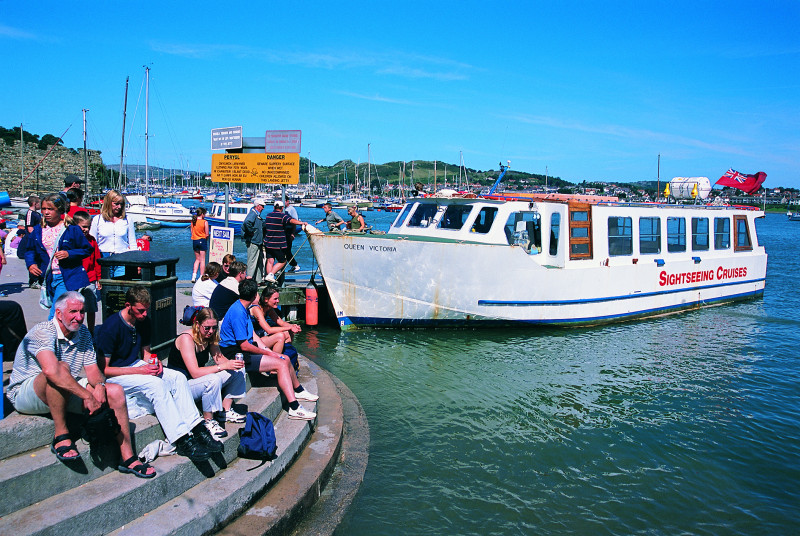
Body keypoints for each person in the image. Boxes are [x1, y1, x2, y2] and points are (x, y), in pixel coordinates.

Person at [6, 292, 155, 477]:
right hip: (26, 393)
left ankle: (127, 457)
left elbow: (93, 370)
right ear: (59, 314)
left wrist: (100, 387)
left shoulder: (82, 332)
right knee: (60, 368)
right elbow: (51, 371)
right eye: (73, 311)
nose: (79, 316)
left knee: (115, 391)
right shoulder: (43, 331)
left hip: (63, 387)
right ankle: (61, 435)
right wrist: (87, 396)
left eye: (82, 311)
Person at [94, 286, 220, 461]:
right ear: (128, 305)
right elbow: (104, 370)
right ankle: (181, 439)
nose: (144, 314)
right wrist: (140, 370)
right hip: (117, 374)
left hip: (135, 365)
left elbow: (146, 354)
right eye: (140, 311)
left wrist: (155, 363)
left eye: (146, 310)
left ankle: (197, 428)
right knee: (156, 385)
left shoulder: (143, 321)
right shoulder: (111, 327)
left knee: (177, 377)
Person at [218, 278, 317, 420]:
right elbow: (244, 345)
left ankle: (299, 390)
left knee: (285, 358)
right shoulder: (238, 312)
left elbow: (253, 336)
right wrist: (267, 353)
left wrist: (271, 353)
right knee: (281, 363)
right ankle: (294, 408)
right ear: (254, 296)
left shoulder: (243, 308)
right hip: (235, 354)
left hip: (243, 351)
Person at [167, 307, 247, 439]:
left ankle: (225, 410)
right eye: (207, 328)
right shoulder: (187, 339)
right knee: (212, 379)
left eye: (214, 328)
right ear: (197, 325)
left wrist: (233, 364)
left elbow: (219, 359)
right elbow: (195, 372)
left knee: (237, 370)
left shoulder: (209, 338)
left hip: (195, 383)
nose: (211, 331)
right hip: (181, 387)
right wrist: (223, 366)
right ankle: (208, 421)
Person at [25, 192, 92, 320]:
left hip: (66, 276)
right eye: (44, 209)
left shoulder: (71, 229)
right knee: (62, 311)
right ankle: (67, 335)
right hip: (48, 277)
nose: (46, 212)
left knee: (56, 312)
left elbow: (86, 249)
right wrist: (31, 264)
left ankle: (50, 336)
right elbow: (30, 250)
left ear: (60, 210)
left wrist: (69, 253)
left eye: (50, 209)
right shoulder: (38, 230)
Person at [90, 190, 136, 278]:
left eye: (121, 204)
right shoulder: (98, 219)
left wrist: (136, 261)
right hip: (104, 258)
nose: (119, 207)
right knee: (105, 286)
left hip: (122, 258)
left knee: (120, 285)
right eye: (116, 204)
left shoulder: (127, 219)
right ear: (108, 203)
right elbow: (92, 242)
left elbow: (132, 243)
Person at [71, 210, 102, 334]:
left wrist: (99, 278)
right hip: (75, 279)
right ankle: (75, 330)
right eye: (83, 227)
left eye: (88, 227)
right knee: (75, 307)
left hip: (90, 278)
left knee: (91, 307)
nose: (86, 229)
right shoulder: (71, 240)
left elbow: (96, 260)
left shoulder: (92, 240)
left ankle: (91, 331)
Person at [262, 201, 306, 284]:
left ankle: (269, 279)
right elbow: (291, 220)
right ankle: (271, 274)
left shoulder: (268, 216)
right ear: (282, 208)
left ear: (274, 207)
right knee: (283, 261)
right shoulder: (282, 216)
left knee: (270, 261)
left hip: (268, 242)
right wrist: (301, 223)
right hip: (278, 244)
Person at [250, 286, 302, 355]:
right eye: (275, 299)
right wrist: (290, 327)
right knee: (280, 336)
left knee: (288, 333)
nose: (278, 301)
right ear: (266, 299)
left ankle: (287, 355)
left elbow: (282, 323)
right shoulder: (256, 309)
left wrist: (293, 326)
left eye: (278, 298)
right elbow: (269, 330)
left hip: (262, 338)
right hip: (253, 342)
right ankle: (276, 360)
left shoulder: (269, 309)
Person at [241, 198, 266, 282]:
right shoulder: (253, 214)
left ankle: (258, 280)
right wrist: (252, 232)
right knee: (252, 261)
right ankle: (249, 280)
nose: (263, 208)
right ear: (258, 206)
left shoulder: (256, 215)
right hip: (253, 241)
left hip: (257, 242)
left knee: (259, 262)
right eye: (262, 206)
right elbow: (246, 222)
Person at [24, 195, 43, 289]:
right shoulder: (30, 213)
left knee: (39, 260)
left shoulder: (37, 214)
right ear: (34, 203)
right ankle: (33, 280)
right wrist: (36, 236)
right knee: (33, 260)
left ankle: (39, 279)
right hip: (33, 239)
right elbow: (29, 227)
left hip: (38, 239)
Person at [190, 207, 209, 283]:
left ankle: (193, 276)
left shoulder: (193, 221)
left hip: (195, 240)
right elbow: (207, 234)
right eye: (204, 214)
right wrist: (206, 239)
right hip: (202, 240)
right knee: (202, 260)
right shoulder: (205, 222)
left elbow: (192, 232)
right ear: (202, 214)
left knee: (197, 259)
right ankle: (201, 276)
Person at [283, 199, 301, 272]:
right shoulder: (283, 209)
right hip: (283, 233)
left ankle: (294, 265)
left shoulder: (291, 209)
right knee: (283, 251)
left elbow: (294, 221)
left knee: (287, 250)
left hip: (288, 232)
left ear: (287, 201)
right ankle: (291, 265)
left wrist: (293, 233)